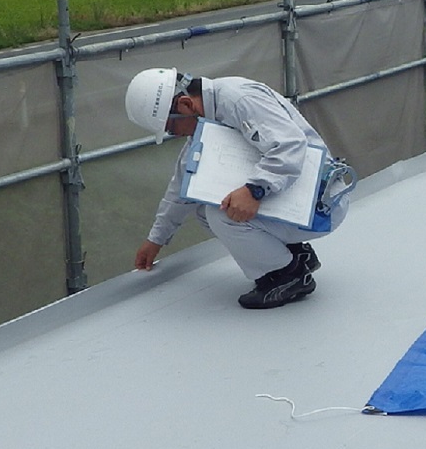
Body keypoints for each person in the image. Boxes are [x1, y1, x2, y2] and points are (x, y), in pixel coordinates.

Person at [126, 69, 342, 309]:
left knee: (221, 214)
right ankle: (296, 255)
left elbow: (289, 145)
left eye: (170, 128)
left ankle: (290, 276)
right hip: (299, 196)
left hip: (320, 203)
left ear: (186, 105)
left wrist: (254, 190)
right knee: (205, 203)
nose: (173, 135)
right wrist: (155, 239)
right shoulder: (211, 118)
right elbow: (182, 186)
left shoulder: (238, 100)